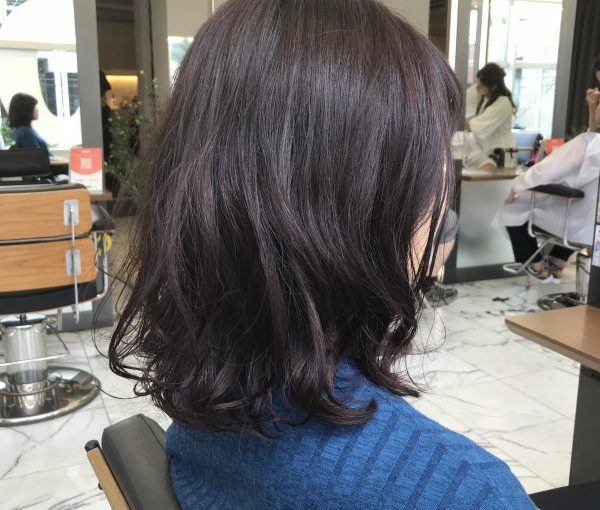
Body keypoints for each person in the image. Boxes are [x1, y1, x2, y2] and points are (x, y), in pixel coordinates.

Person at [108, 1, 534, 508]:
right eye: (434, 153)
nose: (445, 187)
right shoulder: (471, 494)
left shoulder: (205, 393)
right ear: (360, 200)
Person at [497, 88, 600, 282]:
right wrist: (592, 107)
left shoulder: (588, 143)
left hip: (574, 224)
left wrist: (518, 185)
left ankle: (537, 267)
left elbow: (545, 170)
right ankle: (557, 261)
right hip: (592, 228)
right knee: (575, 212)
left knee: (512, 208)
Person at [464, 63, 517, 169]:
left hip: (501, 154)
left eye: (481, 86)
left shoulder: (503, 103)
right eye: (477, 83)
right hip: (487, 152)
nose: (477, 88)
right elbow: (464, 100)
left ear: (493, 87)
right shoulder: (485, 98)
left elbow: (474, 127)